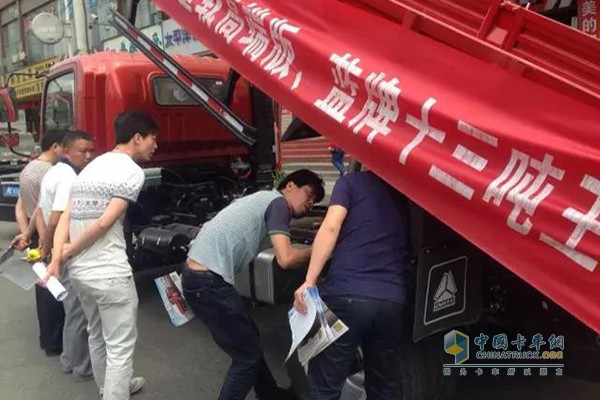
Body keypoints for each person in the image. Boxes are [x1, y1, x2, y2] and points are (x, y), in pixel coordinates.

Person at [182, 169, 325, 400]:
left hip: (197, 277)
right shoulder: (278, 203)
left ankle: (269, 394)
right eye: (309, 194)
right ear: (290, 186)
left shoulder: (259, 198)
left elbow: (208, 225)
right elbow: (286, 258)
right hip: (208, 282)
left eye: (315, 200)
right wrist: (320, 249)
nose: (311, 203)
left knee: (249, 339)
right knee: (246, 357)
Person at [48, 111, 158, 400]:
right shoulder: (132, 172)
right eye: (152, 139)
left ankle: (107, 388)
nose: (155, 146)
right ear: (137, 138)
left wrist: (59, 257)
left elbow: (66, 215)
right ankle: (114, 393)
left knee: (96, 334)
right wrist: (71, 249)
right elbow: (105, 222)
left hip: (80, 274)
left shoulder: (92, 166)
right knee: (120, 347)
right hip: (109, 273)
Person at [294, 170, 409, 400]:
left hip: (346, 294)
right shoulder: (404, 192)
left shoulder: (350, 182)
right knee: (383, 386)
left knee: (325, 385)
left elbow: (331, 227)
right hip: (392, 300)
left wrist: (309, 281)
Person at [38, 130, 95, 382]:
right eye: (83, 151)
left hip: (58, 250)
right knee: (77, 312)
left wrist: (45, 244)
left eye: (91, 150)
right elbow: (55, 219)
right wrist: (50, 250)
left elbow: (39, 211)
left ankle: (69, 359)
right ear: (65, 150)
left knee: (71, 309)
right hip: (66, 251)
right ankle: (80, 367)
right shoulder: (69, 178)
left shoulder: (53, 172)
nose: (88, 156)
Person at [11, 129, 66, 357]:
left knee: (42, 290)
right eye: (64, 147)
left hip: (35, 236)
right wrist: (45, 243)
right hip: (46, 235)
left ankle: (48, 340)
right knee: (55, 290)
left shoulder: (28, 169)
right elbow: (41, 210)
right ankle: (56, 342)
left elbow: (19, 207)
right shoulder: (50, 173)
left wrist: (26, 234)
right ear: (55, 147)